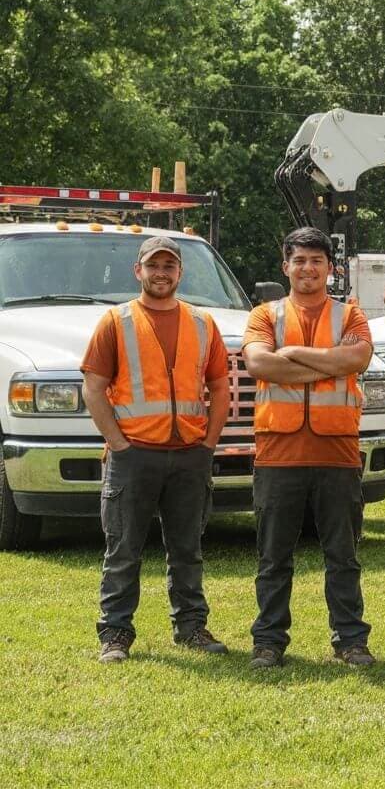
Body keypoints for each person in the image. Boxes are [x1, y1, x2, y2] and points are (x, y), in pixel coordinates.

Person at [82, 235, 230, 663]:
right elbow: (93, 388)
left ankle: (191, 627)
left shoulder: (203, 323)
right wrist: (119, 444)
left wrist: (208, 443)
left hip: (189, 454)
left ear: (180, 272)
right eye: (153, 265)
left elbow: (221, 387)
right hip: (133, 456)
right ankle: (115, 633)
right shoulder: (116, 321)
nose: (161, 273)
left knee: (187, 550)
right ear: (138, 271)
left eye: (169, 266)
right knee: (123, 551)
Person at [243, 227, 375, 670]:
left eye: (317, 260)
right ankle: (268, 641)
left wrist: (293, 353)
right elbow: (258, 363)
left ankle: (350, 641)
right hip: (278, 451)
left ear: (329, 268)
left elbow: (355, 360)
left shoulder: (351, 315)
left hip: (337, 451)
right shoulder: (264, 315)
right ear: (286, 266)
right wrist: (328, 364)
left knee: (343, 556)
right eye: (299, 260)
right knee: (273, 557)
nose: (308, 268)